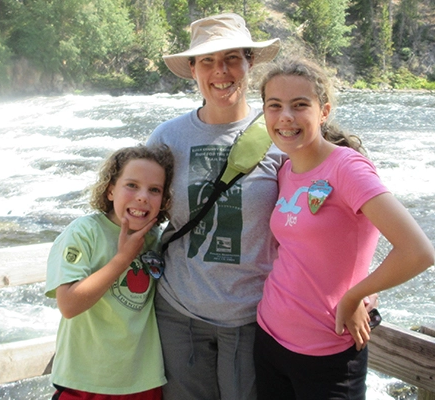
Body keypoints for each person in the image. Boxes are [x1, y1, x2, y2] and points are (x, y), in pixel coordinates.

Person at [253, 58, 435, 400]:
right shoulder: (285, 168)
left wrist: (354, 295)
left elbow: (418, 252)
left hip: (328, 350)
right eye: (274, 106)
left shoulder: (347, 169)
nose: (285, 117)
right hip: (269, 337)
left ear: (323, 112)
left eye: (300, 105)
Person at [145, 13, 284, 400]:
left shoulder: (279, 134)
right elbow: (136, 209)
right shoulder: (167, 137)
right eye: (207, 61)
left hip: (255, 316)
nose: (220, 71)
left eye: (231, 59)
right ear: (192, 70)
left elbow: (322, 216)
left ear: (250, 63)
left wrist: (358, 290)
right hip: (178, 312)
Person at [45, 144, 175, 400]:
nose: (142, 197)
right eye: (132, 185)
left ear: (165, 201)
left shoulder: (157, 239)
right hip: (85, 379)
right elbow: (69, 304)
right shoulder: (84, 232)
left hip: (142, 381)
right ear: (110, 190)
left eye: (154, 190)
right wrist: (123, 258)